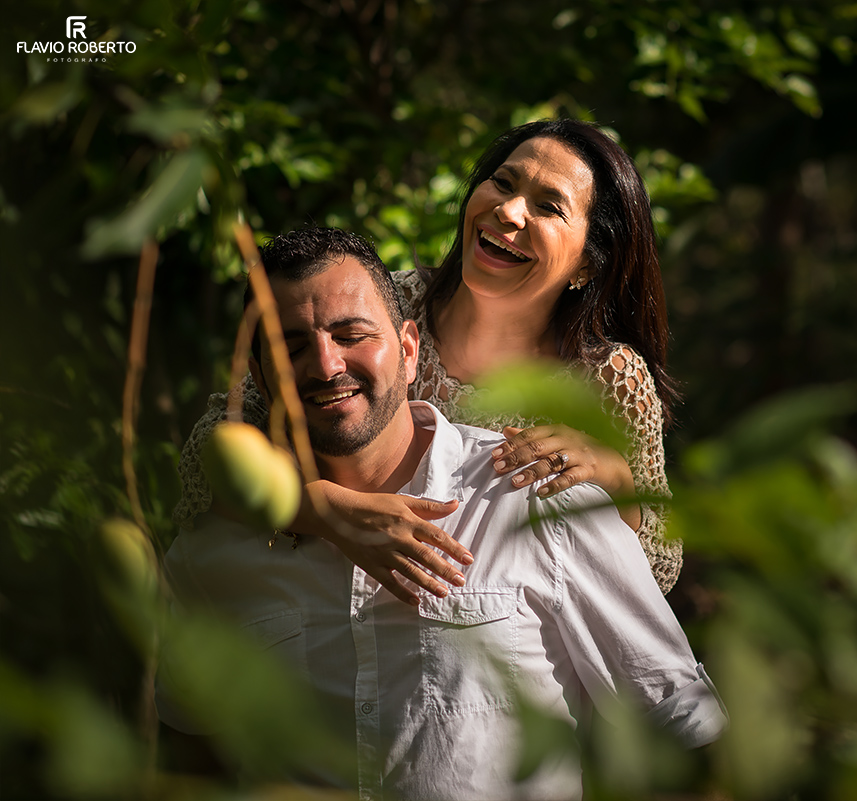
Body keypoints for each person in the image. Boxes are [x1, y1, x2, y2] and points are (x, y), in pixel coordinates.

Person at [157, 228, 726, 799]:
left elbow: (679, 727)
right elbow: (187, 743)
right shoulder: (218, 545)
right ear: (259, 376)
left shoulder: (540, 499)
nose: (326, 366)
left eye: (352, 334)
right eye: (291, 347)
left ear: (408, 351)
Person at [173, 119, 683, 598]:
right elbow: (211, 449)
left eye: (549, 206)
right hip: (320, 604)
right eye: (503, 184)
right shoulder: (377, 315)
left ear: (588, 263)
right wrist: (325, 509)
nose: (508, 211)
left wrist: (616, 480)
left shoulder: (607, 379)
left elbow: (656, 573)